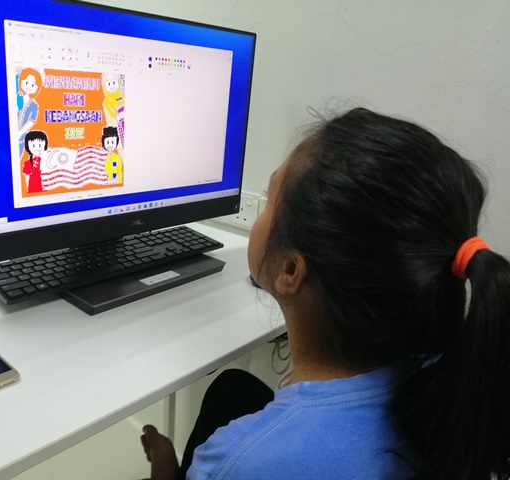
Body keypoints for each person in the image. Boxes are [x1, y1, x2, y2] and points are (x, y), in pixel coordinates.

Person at [140, 107, 510, 480]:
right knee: (231, 389)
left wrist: (166, 469)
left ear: (289, 270)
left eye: (268, 200)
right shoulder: (455, 375)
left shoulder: (237, 461)